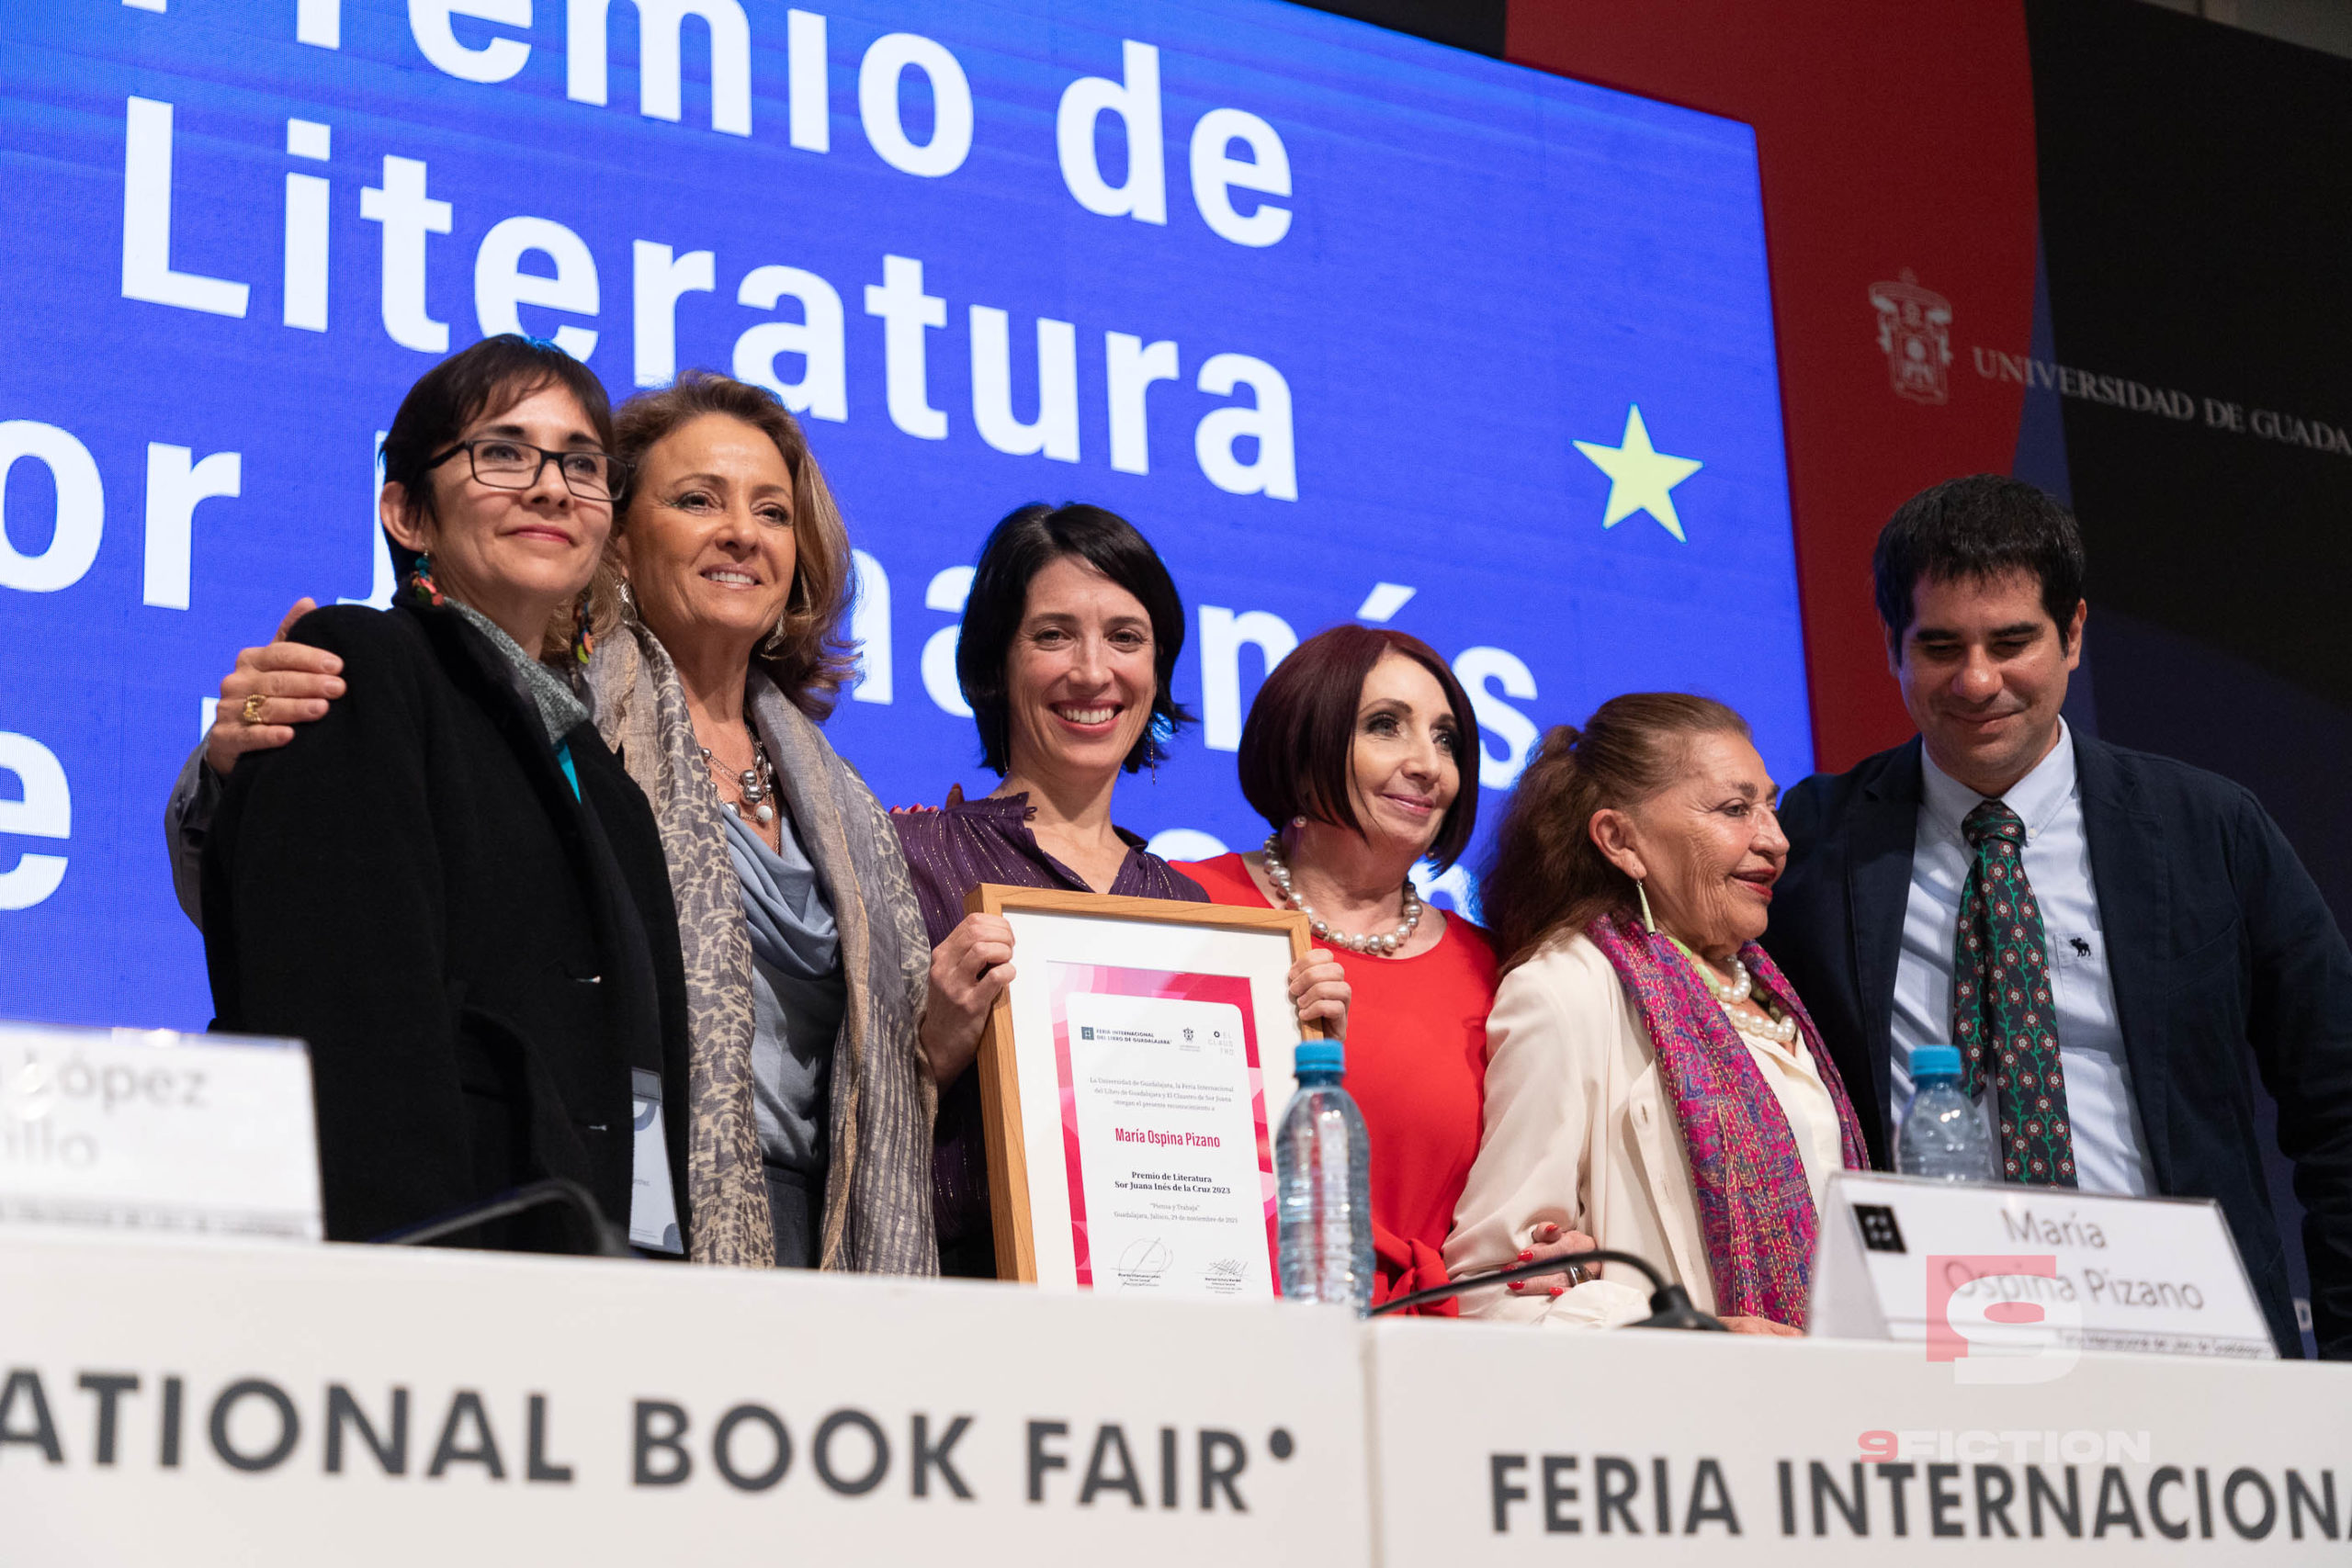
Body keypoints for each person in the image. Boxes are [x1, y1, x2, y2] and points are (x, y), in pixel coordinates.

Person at [171, 370, 938, 1272]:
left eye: (772, 511)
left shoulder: (842, 801)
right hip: (497, 1218)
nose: (741, 531)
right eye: (698, 499)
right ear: (620, 538)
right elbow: (326, 923)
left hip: (813, 1241)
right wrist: (229, 762)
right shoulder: (540, 703)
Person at [1763, 474, 2352, 1359]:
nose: (1977, 680)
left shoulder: (2209, 829)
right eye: (1939, 646)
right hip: (1919, 1346)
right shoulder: (1811, 840)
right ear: (1892, 647)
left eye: (2012, 642)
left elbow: (2338, 1100)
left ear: (2073, 633)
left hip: (2192, 1345)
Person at [198, 333, 694, 1253]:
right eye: (503, 452)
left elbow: (641, 1088)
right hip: (428, 1267)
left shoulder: (606, 781)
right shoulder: (357, 667)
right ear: (407, 515)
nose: (551, 487)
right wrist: (408, 1283)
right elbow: (341, 1026)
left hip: (596, 1277)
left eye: (582, 464)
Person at [894, 502, 1348, 1278]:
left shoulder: (1187, 909)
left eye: (1126, 637)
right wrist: (931, 1050)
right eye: (1053, 634)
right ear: (994, 663)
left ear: (1158, 670)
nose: (1093, 670)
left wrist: (1302, 1061)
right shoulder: (910, 860)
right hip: (962, 1314)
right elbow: (821, 1132)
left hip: (1167, 1318)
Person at [1444, 694, 1871, 1332]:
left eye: (1770, 806)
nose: (1776, 841)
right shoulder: (1565, 991)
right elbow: (1491, 1289)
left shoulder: (1767, 989)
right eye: (1735, 810)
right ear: (1621, 840)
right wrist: (1692, 1335)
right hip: (1685, 1394)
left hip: (1832, 1387)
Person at [1174, 625, 1501, 1310]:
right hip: (1212, 1321)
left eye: (1446, 739)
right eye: (1386, 726)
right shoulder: (1183, 901)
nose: (1429, 764)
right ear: (1302, 747)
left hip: (1429, 1348)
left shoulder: (1493, 969)